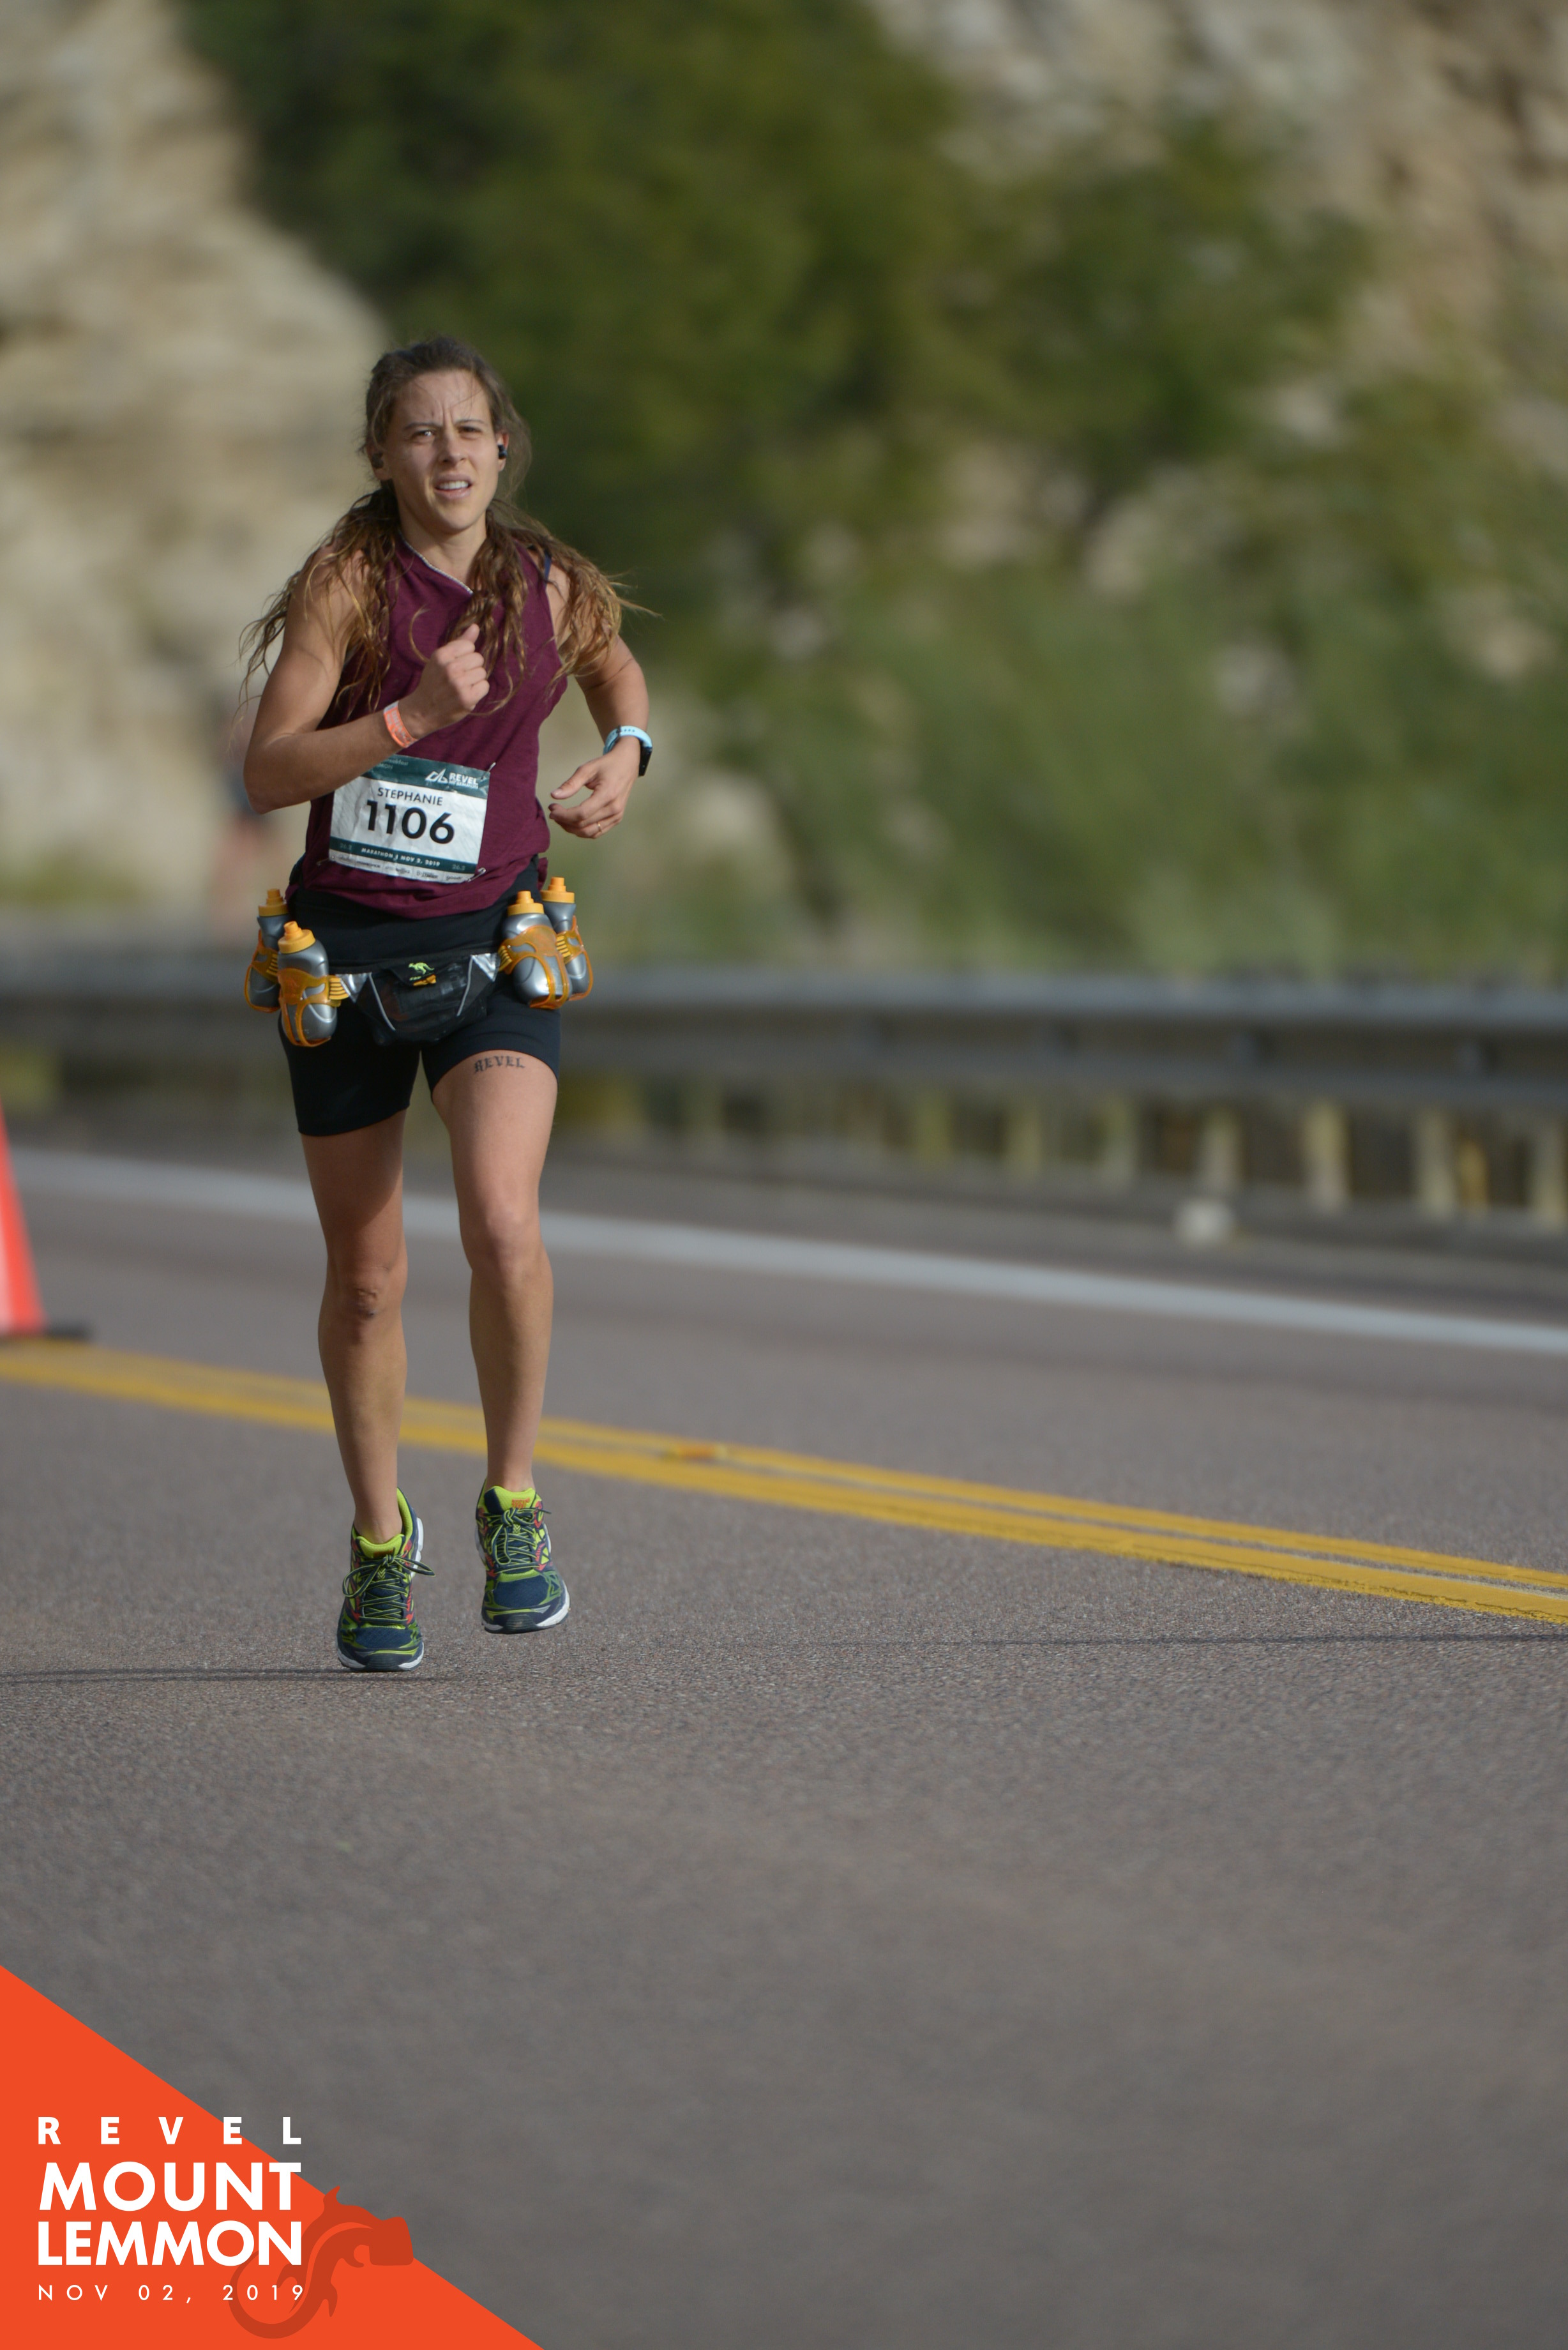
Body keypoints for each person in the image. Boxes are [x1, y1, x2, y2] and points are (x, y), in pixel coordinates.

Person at [243, 335, 649, 1671]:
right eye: (419, 432)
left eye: (469, 428)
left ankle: (512, 1502)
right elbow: (268, 770)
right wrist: (408, 720)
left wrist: (628, 751)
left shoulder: (546, 583)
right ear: (382, 454)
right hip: (348, 956)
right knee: (367, 1283)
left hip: (495, 944)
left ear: (502, 444)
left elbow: (616, 671)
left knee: (503, 1223)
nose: (450, 453)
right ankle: (379, 1542)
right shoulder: (347, 587)